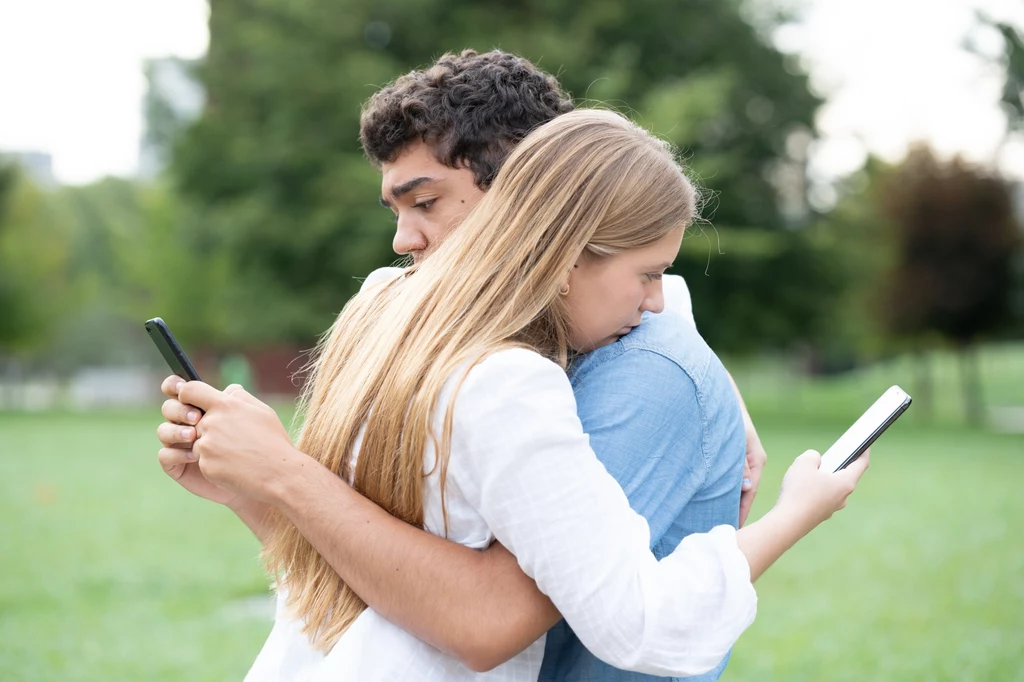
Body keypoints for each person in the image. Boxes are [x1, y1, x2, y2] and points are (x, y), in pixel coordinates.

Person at [162, 109, 868, 681]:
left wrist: (260, 487)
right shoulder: (512, 386)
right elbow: (634, 620)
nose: (657, 303)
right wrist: (797, 514)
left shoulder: (382, 323)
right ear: (565, 254)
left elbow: (350, 557)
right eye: (650, 275)